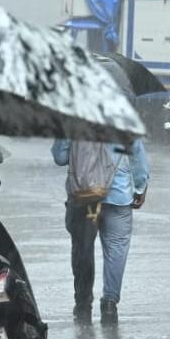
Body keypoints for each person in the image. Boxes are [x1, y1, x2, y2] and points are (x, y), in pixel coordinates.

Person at [52, 136, 150, 325]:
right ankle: (109, 304)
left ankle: (83, 302)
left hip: (84, 195)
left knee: (83, 249)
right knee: (116, 250)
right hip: (118, 195)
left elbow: (60, 157)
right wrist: (140, 187)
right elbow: (137, 154)